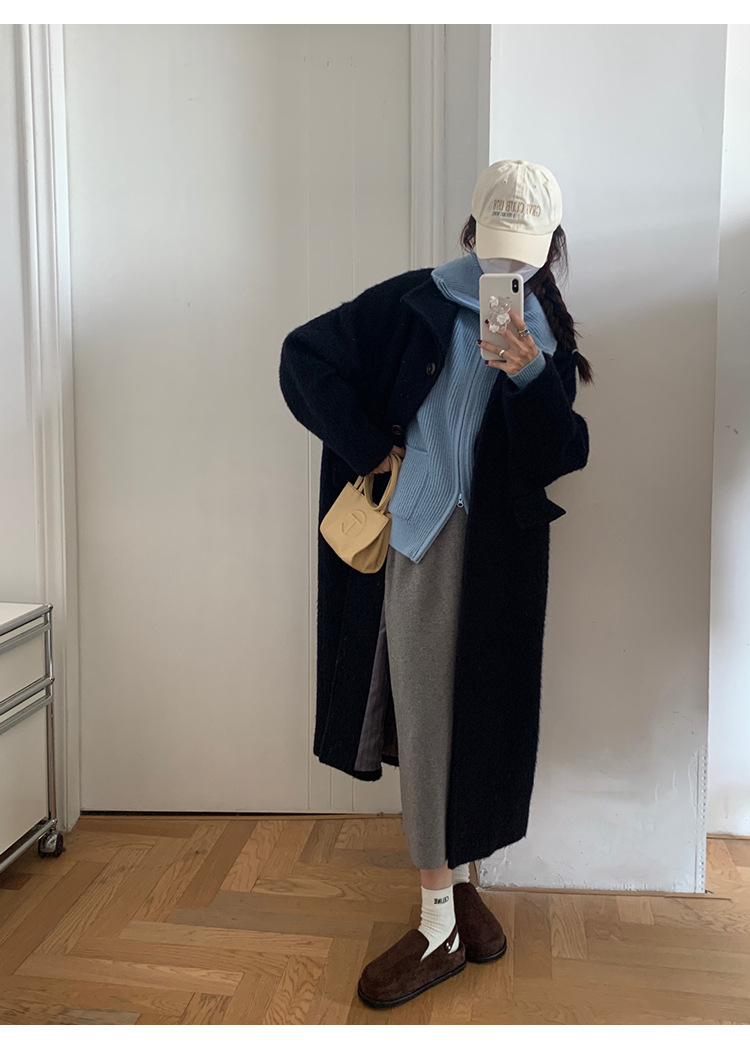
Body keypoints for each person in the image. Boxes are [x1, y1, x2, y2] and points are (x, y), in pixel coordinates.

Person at [279, 159, 593, 1009]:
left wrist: (530, 375)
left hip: (502, 567)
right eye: (497, 244)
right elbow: (304, 357)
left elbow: (559, 455)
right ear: (472, 230)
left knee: (481, 725)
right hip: (420, 545)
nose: (508, 265)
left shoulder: (547, 334)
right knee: (425, 726)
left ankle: (458, 890)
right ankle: (436, 924)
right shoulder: (415, 301)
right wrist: (369, 445)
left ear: (550, 247)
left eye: (525, 251)